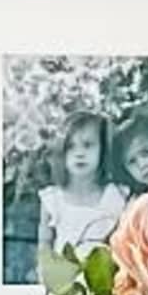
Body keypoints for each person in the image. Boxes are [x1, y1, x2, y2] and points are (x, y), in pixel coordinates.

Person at [29, 101, 127, 277]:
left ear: (102, 150)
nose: (79, 153)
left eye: (88, 145)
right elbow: (44, 243)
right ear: (61, 153)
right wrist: (45, 270)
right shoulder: (53, 199)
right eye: (70, 147)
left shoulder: (116, 196)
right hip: (65, 284)